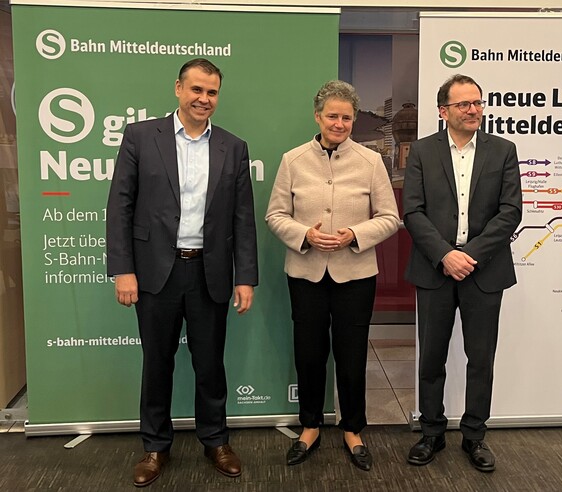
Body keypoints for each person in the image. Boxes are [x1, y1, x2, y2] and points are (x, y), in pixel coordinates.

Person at [106, 58, 258, 487]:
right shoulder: (140, 136)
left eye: (211, 92)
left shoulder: (233, 146)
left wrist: (245, 276)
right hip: (157, 272)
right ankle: (155, 446)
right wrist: (123, 270)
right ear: (178, 89)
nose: (203, 99)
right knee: (157, 363)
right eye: (196, 89)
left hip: (209, 271)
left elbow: (242, 218)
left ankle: (216, 440)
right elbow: (119, 206)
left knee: (210, 364)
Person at [265, 80, 399, 472]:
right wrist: (304, 235)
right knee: (309, 354)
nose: (339, 123)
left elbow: (390, 218)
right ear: (317, 117)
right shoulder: (293, 160)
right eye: (332, 116)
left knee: (352, 355)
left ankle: (353, 429)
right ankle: (310, 426)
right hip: (305, 272)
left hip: (355, 275)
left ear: (354, 120)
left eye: (346, 117)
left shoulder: (371, 161)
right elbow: (275, 215)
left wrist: (355, 234)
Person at [402, 74, 522, 472]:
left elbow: (510, 212)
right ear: (443, 111)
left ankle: (474, 436)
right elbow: (412, 211)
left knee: (481, 359)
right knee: (431, 358)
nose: (474, 110)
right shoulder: (422, 151)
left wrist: (468, 255)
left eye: (477, 103)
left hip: (484, 271)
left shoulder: (503, 150)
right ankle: (431, 432)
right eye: (464, 104)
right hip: (434, 270)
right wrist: (444, 255)